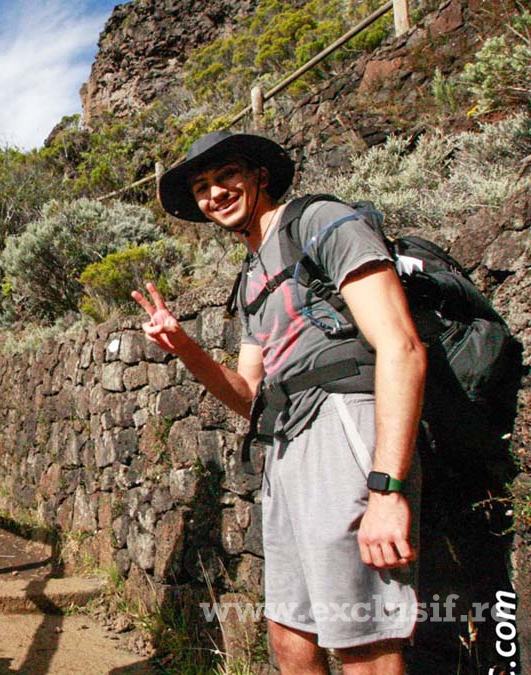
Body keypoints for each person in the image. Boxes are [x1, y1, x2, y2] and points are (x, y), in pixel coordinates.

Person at [137, 130, 425, 673]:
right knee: (290, 634)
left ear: (259, 176)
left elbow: (401, 346)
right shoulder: (250, 279)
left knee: (361, 633)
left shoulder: (319, 223)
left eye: (226, 176)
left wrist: (386, 489)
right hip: (287, 443)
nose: (215, 193)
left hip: (344, 424)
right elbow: (247, 396)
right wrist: (183, 346)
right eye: (202, 186)